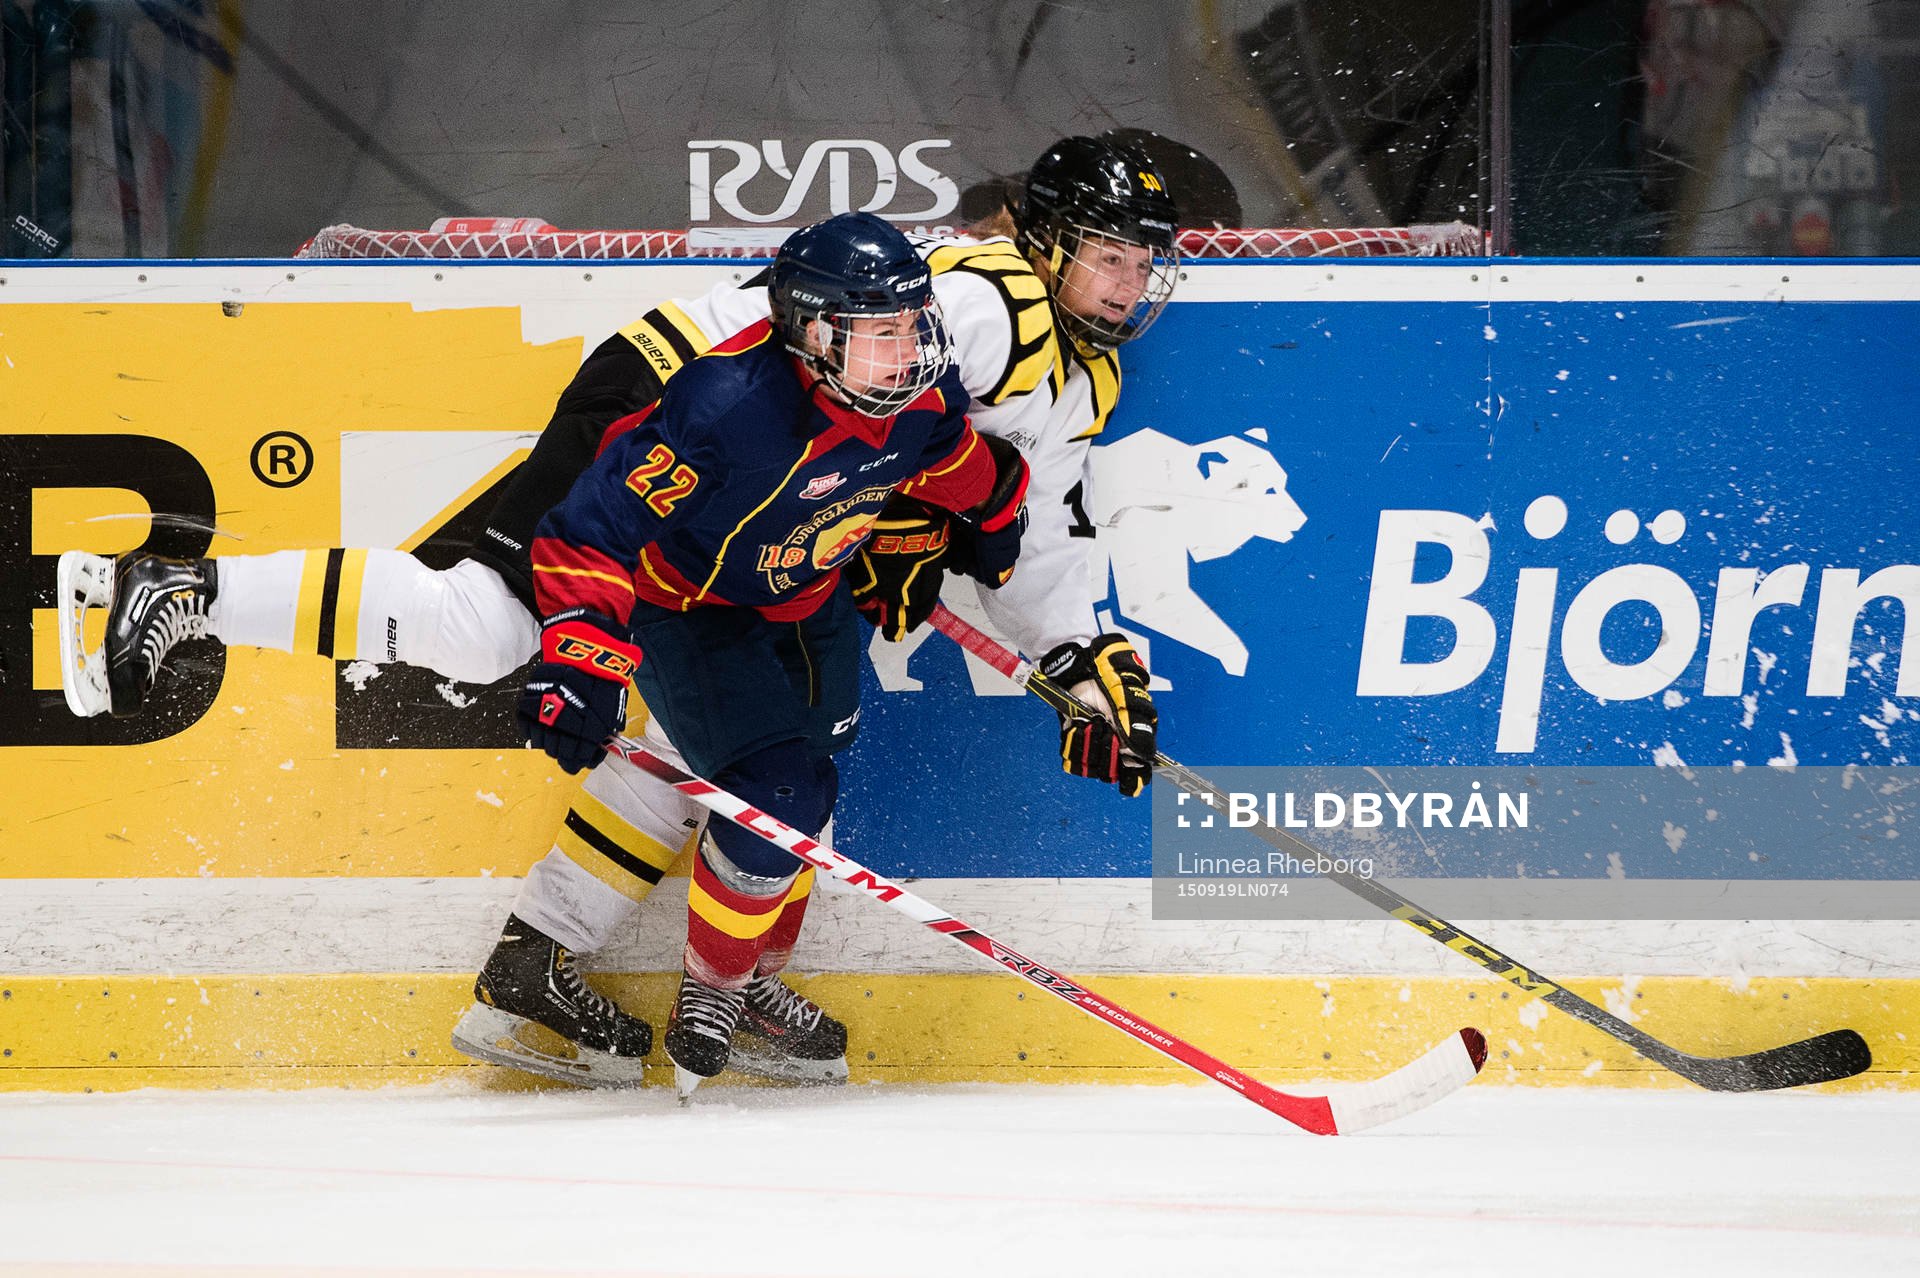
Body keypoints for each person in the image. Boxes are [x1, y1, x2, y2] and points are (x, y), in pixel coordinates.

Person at [58, 135, 1181, 1089]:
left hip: (754, 480)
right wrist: (891, 511)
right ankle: (186, 589)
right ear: (1048, 240)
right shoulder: (993, 304)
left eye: (1147, 264)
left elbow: (1010, 511)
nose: (1131, 284)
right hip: (675, 405)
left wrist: (1079, 651)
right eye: (1112, 257)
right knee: (498, 625)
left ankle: (541, 965)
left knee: (713, 730)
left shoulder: (1076, 370)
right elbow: (867, 375)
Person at [512, 211, 1028, 1095]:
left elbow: (951, 459)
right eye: (880, 332)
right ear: (815, 333)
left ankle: (749, 981)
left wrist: (995, 512)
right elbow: (588, 529)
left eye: (912, 324)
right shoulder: (724, 408)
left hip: (809, 596)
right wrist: (579, 657)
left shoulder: (919, 398)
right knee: (778, 795)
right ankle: (717, 991)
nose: (905, 351)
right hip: (694, 613)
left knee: (811, 788)